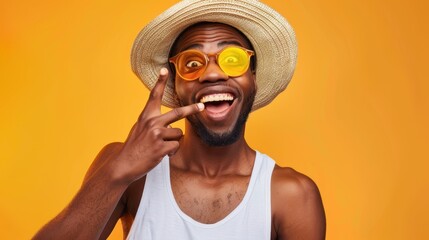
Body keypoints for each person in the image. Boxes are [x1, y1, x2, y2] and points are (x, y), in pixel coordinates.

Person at [34, 0, 326, 239]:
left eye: (233, 59)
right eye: (193, 63)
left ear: (254, 79)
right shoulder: (127, 169)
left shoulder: (292, 195)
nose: (212, 74)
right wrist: (117, 172)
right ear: (175, 85)